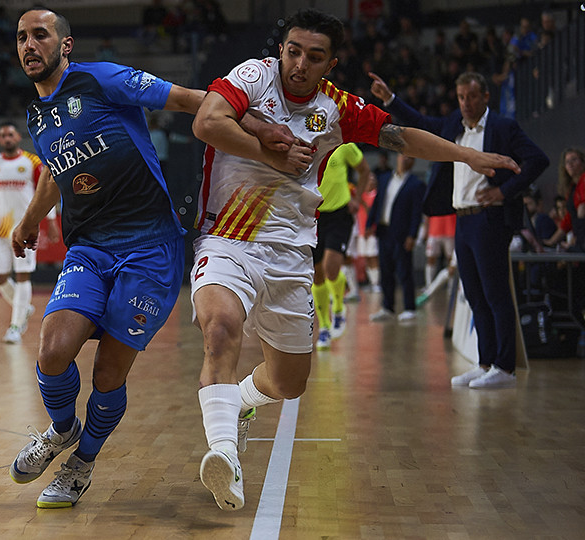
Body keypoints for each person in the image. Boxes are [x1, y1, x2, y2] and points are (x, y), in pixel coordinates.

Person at [189, 8, 519, 511]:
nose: (300, 63)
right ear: (282, 49)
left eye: (314, 56)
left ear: (330, 63)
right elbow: (207, 122)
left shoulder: (337, 108)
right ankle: (225, 456)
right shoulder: (253, 78)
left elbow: (401, 136)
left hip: (291, 254)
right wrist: (269, 152)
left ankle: (237, 399)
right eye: (293, 51)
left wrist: (467, 156)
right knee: (219, 328)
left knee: (288, 382)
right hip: (226, 239)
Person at [6, 7, 213, 510]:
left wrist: (261, 123)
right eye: (21, 38)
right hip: (90, 246)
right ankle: (61, 430)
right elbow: (55, 170)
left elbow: (189, 100)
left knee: (107, 375)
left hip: (150, 248)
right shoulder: (37, 114)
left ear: (65, 45)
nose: (29, 45)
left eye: (40, 35)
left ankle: (82, 464)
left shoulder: (102, 79)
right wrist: (32, 219)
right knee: (53, 351)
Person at [369, 68, 548, 389]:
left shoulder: (504, 127)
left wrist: (503, 192)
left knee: (496, 295)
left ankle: (505, 368)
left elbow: (538, 160)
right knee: (475, 295)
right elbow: (423, 124)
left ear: (486, 97)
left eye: (472, 97)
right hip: (462, 218)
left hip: (490, 217)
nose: (465, 103)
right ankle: (485, 363)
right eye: (461, 97)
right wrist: (391, 99)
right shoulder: (453, 124)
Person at [0, 121, 60, 344]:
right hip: (0, 230)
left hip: (26, 229)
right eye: (2, 135)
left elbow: (45, 194)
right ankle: (23, 308)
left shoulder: (33, 162)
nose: (7, 138)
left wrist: (51, 221)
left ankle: (16, 326)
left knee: (22, 276)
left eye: (10, 134)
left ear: (18, 136)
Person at [312, 142, 371, 348]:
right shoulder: (305, 139)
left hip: (339, 213)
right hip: (312, 215)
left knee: (331, 267)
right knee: (316, 274)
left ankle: (338, 307)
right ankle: (324, 327)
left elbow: (364, 170)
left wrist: (358, 198)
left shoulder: (344, 144)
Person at [366, 154, 425, 322]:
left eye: (410, 158)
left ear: (413, 162)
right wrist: (370, 224)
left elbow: (416, 213)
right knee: (385, 270)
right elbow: (377, 202)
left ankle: (409, 307)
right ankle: (387, 307)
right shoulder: (384, 178)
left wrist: (412, 235)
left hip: (402, 233)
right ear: (397, 157)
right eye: (403, 156)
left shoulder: (416, 184)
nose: (405, 159)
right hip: (383, 231)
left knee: (404, 270)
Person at [544, 147, 585, 252]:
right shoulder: (572, 188)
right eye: (567, 162)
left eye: (574, 160)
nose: (570, 164)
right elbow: (568, 220)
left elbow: (581, 210)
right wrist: (551, 242)